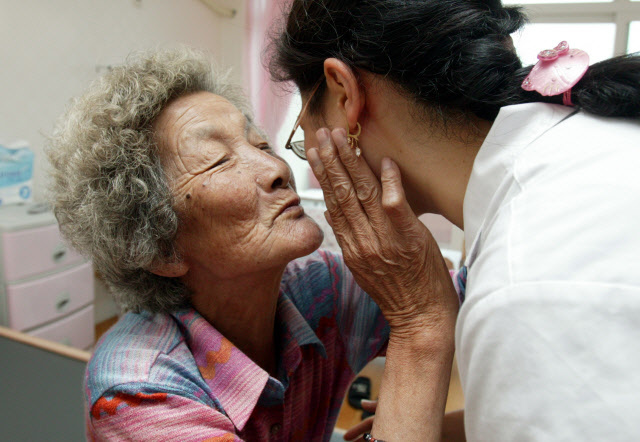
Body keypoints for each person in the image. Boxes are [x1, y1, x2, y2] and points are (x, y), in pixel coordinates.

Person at [269, 0, 640, 440]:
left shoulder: (525, 288)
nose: (282, 169)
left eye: (301, 125)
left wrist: (419, 320)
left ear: (343, 92)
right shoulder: (583, 146)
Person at [47, 48, 394, 441]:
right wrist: (421, 328)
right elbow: (427, 318)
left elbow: (470, 303)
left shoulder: (320, 288)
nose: (278, 169)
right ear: (162, 250)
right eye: (218, 162)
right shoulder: (137, 391)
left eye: (261, 146)